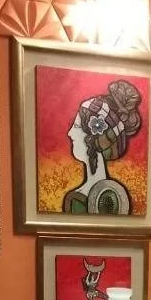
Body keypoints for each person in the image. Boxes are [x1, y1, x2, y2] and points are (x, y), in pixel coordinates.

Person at [63, 79, 142, 216]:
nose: (70, 133)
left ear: (94, 139)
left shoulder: (77, 199)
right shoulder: (119, 196)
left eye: (76, 126)